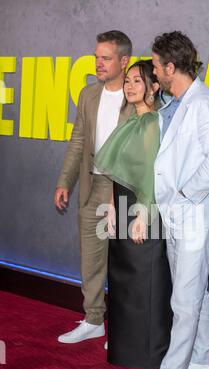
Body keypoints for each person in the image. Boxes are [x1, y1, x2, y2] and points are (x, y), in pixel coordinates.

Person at [135, 31, 209, 369]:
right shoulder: (173, 103)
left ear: (171, 67)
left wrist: (185, 196)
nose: (153, 71)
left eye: (156, 65)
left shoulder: (203, 104)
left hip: (194, 212)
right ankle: (202, 359)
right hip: (178, 215)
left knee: (184, 300)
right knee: (195, 293)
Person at [54, 31, 134, 343]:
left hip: (124, 189)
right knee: (91, 258)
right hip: (91, 184)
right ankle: (93, 319)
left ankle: (126, 330)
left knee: (125, 261)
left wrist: (122, 194)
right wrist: (64, 181)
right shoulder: (88, 95)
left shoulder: (138, 95)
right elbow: (78, 142)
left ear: (123, 61)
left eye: (106, 58)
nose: (98, 63)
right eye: (96, 57)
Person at [94, 60, 173, 369]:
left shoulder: (154, 123)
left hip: (145, 210)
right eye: (127, 81)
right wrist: (113, 207)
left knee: (145, 282)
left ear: (154, 87)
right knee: (123, 279)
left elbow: (151, 176)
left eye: (137, 81)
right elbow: (119, 172)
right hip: (124, 206)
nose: (129, 86)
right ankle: (125, 345)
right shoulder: (129, 122)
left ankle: (147, 353)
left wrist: (143, 215)